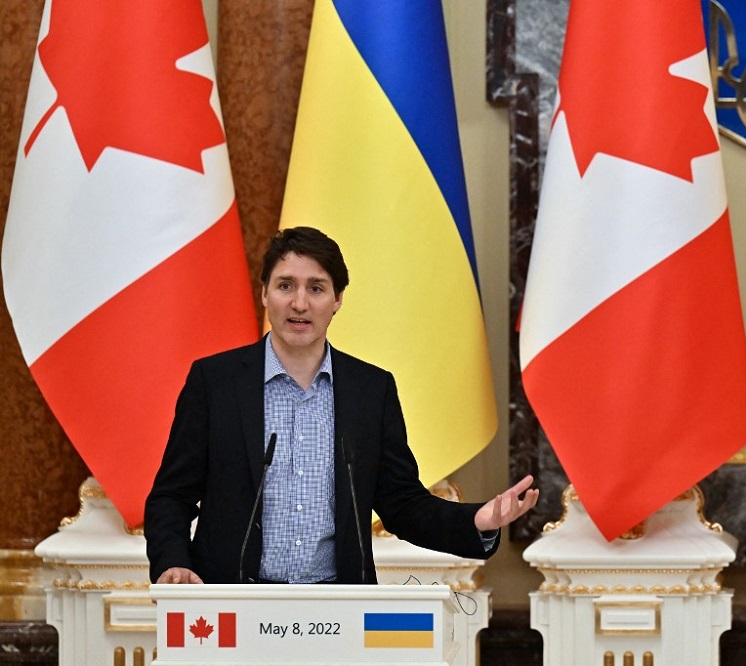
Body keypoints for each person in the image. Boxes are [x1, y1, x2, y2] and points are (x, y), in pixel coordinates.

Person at [145, 226, 537, 584]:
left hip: (338, 610)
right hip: (232, 607)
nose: (300, 303)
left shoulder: (370, 390)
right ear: (264, 292)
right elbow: (172, 496)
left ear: (337, 300)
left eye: (316, 288)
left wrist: (477, 520)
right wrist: (174, 561)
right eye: (286, 286)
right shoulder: (216, 383)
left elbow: (402, 504)